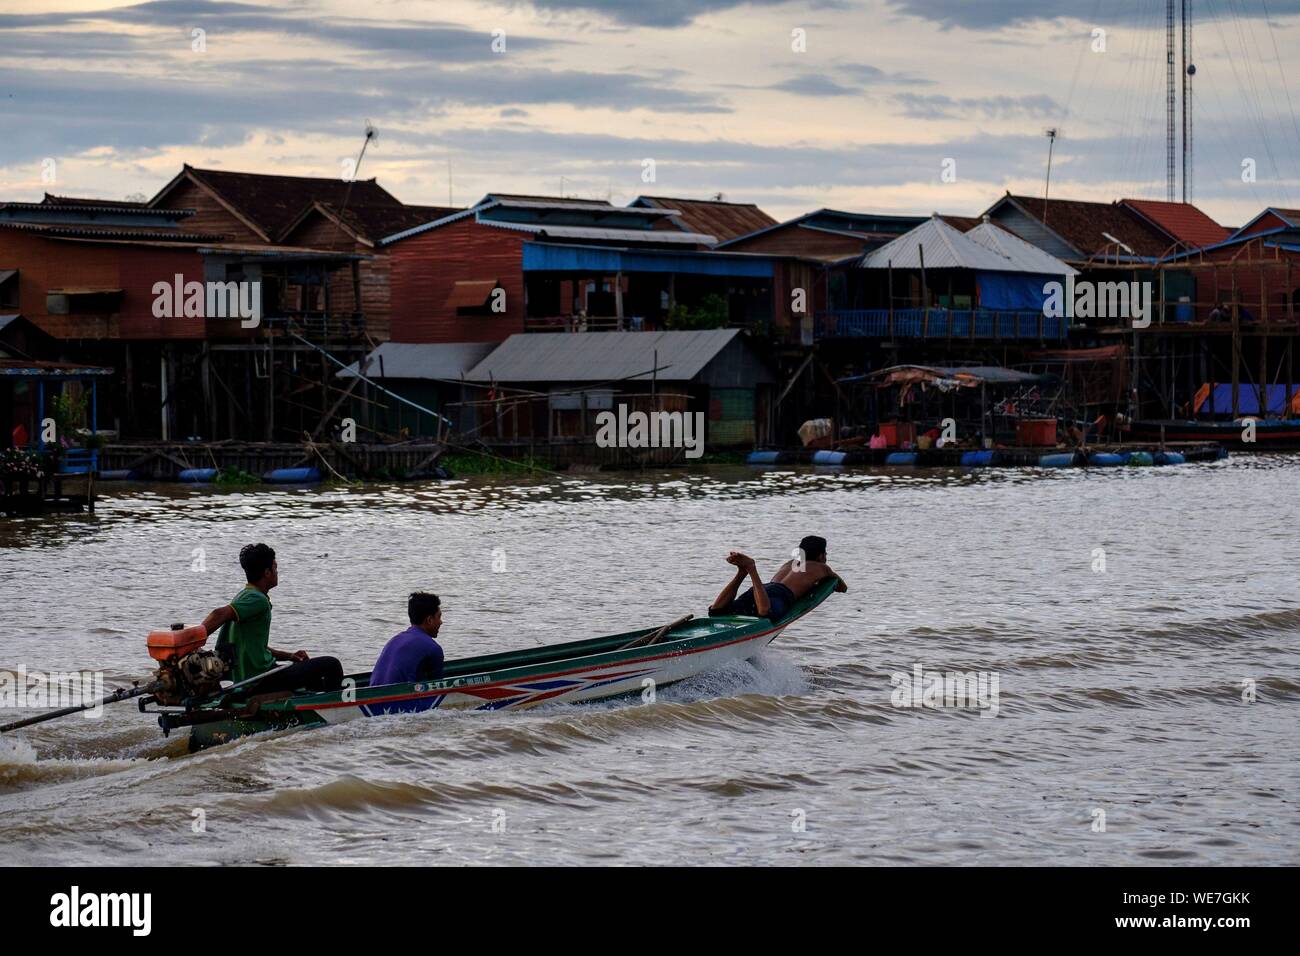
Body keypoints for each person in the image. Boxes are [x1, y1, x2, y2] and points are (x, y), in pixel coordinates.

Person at [200, 543, 344, 695]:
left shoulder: (243, 595)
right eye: (275, 568)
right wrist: (192, 639)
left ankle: (310, 701)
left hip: (251, 678)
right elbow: (218, 613)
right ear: (267, 573)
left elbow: (255, 646)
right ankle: (335, 706)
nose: (277, 572)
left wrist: (289, 656)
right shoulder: (257, 600)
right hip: (260, 680)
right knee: (331, 665)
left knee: (309, 671)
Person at [709, 535, 847, 622]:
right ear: (821, 556)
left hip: (762, 589)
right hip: (780, 595)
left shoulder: (789, 564)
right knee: (766, 613)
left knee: (716, 612)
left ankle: (741, 572)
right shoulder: (821, 567)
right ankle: (751, 568)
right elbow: (841, 587)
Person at [365, 592, 446, 716]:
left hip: (372, 699)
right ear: (429, 620)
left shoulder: (394, 639)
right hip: (398, 704)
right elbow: (440, 688)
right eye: (439, 617)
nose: (441, 622)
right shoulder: (433, 648)